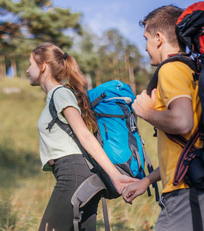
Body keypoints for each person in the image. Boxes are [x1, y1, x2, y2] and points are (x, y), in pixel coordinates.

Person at [122, 5, 204, 230]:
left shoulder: (171, 69)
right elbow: (193, 147)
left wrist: (146, 111)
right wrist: (146, 181)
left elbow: (182, 122)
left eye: (146, 38)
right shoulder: (199, 72)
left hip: (190, 195)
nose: (146, 48)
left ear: (158, 38)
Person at [27, 42, 136, 231]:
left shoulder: (60, 94)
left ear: (43, 65)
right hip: (76, 174)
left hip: (73, 174)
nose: (27, 70)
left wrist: (115, 177)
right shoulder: (56, 96)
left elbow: (84, 135)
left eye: (30, 64)